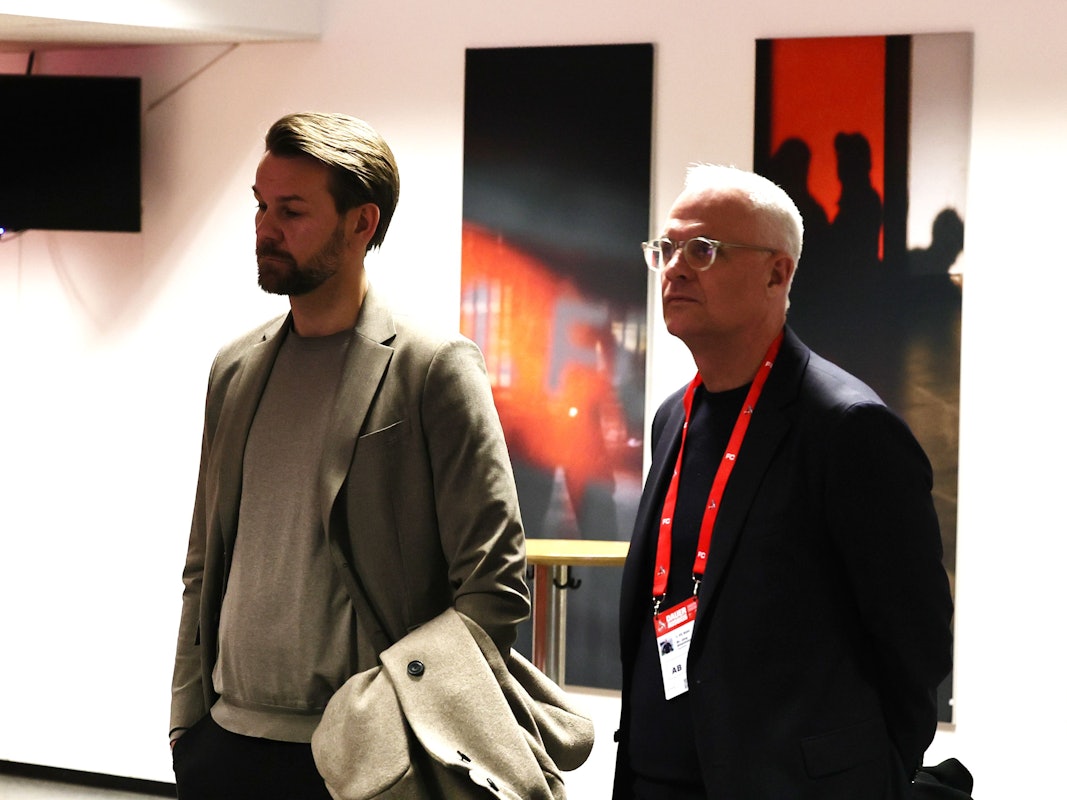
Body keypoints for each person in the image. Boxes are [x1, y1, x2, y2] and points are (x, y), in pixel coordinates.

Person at [169, 112, 531, 799]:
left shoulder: (433, 367)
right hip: (225, 749)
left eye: (292, 211)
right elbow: (202, 563)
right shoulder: (234, 369)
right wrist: (186, 726)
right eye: (260, 206)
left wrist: (402, 724)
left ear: (361, 223)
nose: (265, 228)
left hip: (369, 761)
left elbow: (494, 585)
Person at [613, 164, 953, 799]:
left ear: (778, 273)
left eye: (702, 249)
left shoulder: (848, 427)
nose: (675, 269)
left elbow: (917, 642)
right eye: (666, 248)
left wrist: (864, 777)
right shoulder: (672, 419)